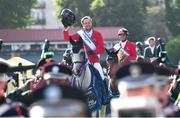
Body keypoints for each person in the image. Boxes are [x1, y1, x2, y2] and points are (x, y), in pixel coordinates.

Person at [63, 16, 105, 80]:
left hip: (94, 61)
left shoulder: (98, 34)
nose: (87, 24)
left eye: (89, 23)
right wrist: (66, 30)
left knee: (102, 77)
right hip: (82, 62)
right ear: (83, 25)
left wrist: (93, 52)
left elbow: (102, 49)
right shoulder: (80, 34)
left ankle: (105, 90)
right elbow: (67, 38)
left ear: (91, 23)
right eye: (85, 23)